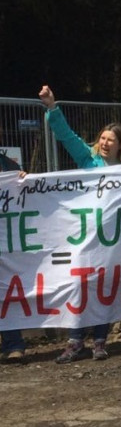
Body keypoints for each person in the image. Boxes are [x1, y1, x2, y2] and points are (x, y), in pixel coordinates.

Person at [39, 85, 121, 363]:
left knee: (104, 288)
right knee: (79, 285)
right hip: (85, 235)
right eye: (102, 138)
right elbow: (66, 136)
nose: (105, 143)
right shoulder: (88, 160)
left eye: (111, 139)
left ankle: (99, 341)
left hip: (114, 239)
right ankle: (75, 341)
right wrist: (52, 107)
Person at [0, 142, 25, 363]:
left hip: (6, 240)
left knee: (5, 293)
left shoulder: (9, 165)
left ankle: (14, 344)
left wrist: (25, 180)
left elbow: (24, 197)